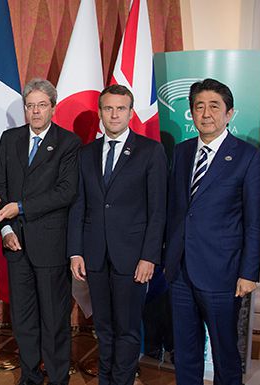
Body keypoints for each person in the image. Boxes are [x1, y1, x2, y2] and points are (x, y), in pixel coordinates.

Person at [163, 78, 260, 385]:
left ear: (229, 113)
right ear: (192, 113)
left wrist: (249, 273)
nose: (205, 113)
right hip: (180, 271)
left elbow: (253, 220)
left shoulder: (248, 157)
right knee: (184, 350)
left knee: (224, 353)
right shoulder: (181, 153)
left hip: (223, 273)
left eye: (214, 106)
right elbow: (176, 211)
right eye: (199, 107)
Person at [67, 84, 166, 385]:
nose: (114, 114)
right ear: (100, 112)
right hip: (94, 255)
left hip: (133, 257)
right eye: (108, 108)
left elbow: (158, 210)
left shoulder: (151, 151)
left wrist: (149, 256)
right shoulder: (86, 153)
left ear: (131, 112)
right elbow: (78, 205)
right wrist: (76, 251)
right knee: (105, 327)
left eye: (120, 108)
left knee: (128, 329)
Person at [0, 78, 80, 385]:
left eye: (42, 105)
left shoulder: (69, 143)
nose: (35, 111)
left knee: (54, 318)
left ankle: (57, 377)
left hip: (50, 244)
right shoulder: (10, 138)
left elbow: (66, 191)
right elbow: (0, 186)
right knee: (23, 317)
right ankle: (29, 376)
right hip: (15, 243)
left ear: (53, 108)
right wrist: (5, 227)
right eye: (30, 105)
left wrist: (21, 207)